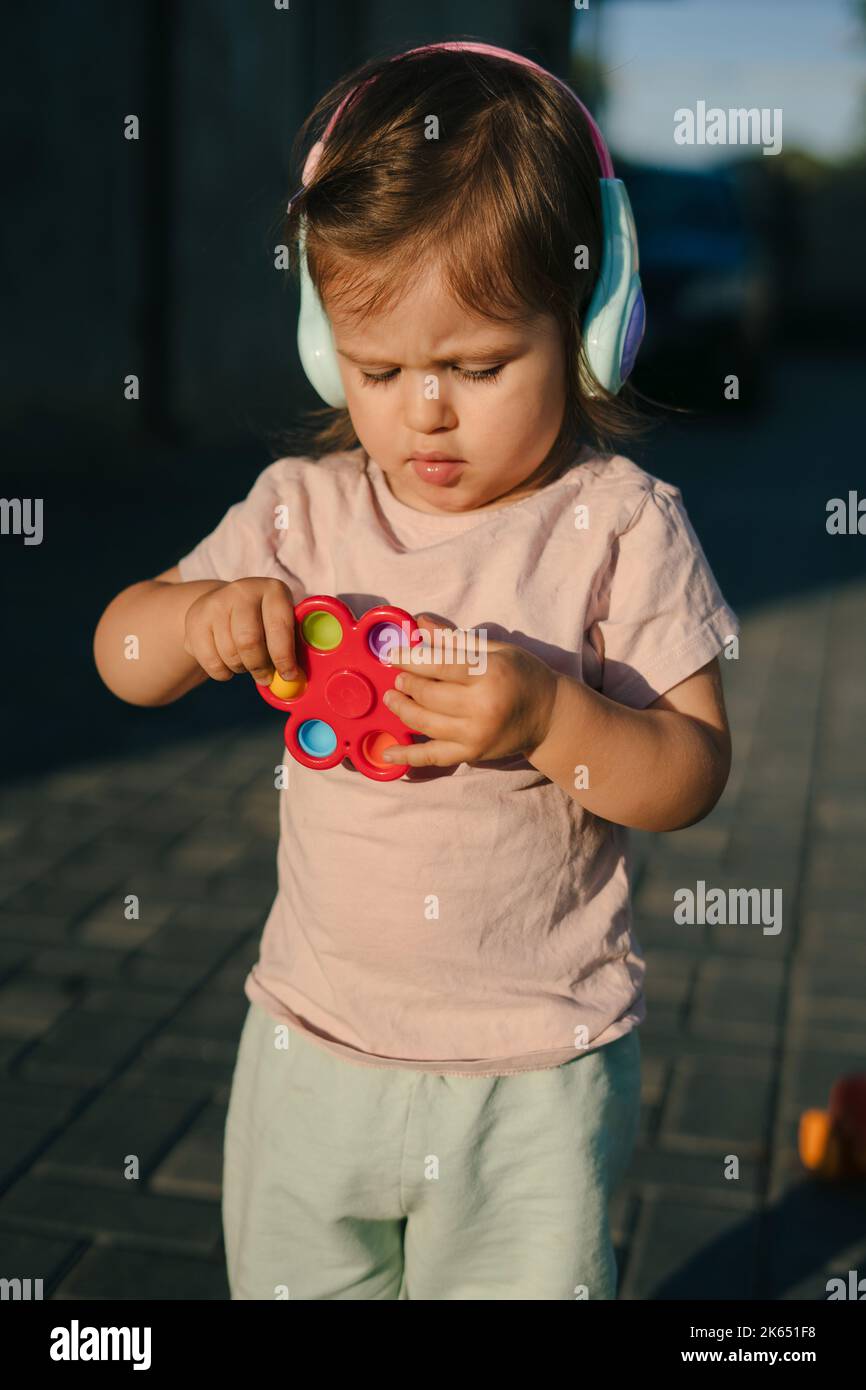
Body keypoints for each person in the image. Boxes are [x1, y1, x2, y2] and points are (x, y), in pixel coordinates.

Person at [93, 41, 739, 1300]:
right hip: (310, 1047)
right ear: (323, 347)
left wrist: (556, 714)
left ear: (591, 320)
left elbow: (690, 770)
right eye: (379, 369)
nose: (424, 411)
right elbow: (121, 653)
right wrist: (195, 620)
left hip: (529, 1072)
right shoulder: (302, 511)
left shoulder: (617, 524)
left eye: (478, 364)